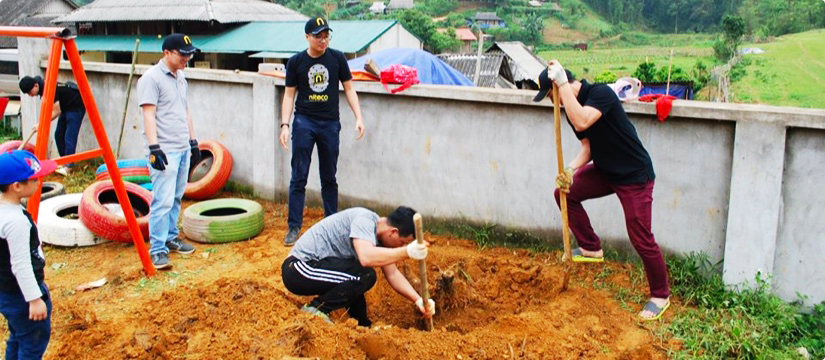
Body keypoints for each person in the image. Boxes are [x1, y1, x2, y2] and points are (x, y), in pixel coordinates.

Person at [534, 61, 671, 321]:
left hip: (634, 176)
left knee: (640, 235)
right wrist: (571, 171)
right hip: (606, 171)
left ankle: (660, 295)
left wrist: (561, 85)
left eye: (551, 96)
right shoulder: (570, 110)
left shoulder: (600, 94)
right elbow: (588, 148)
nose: (555, 103)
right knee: (564, 194)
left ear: (558, 87)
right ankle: (590, 248)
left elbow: (584, 120)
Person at [279, 17, 366, 246]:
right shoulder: (296, 62)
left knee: (329, 177)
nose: (323, 39)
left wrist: (359, 117)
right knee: (299, 176)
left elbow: (349, 88)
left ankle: (332, 224)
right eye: (318, 35)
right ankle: (294, 226)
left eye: (326, 35)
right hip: (304, 122)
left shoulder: (337, 58)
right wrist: (285, 125)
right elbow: (289, 95)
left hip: (329, 124)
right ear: (307, 37)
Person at [281, 206, 435, 327]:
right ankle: (316, 309)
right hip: (299, 269)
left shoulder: (381, 237)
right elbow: (366, 257)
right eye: (402, 242)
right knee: (364, 275)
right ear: (393, 232)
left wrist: (419, 300)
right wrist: (407, 251)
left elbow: (393, 273)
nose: (401, 246)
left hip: (318, 269)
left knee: (356, 279)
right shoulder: (365, 220)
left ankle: (362, 325)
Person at [136, 34, 200, 269]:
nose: (187, 58)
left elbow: (185, 111)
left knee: (176, 196)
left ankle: (171, 237)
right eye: (182, 54)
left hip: (182, 147)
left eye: (189, 54)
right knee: (162, 200)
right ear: (166, 53)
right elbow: (148, 114)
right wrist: (154, 149)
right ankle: (158, 249)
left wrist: (193, 142)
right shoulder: (151, 79)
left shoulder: (181, 77)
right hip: (165, 150)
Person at [0, 150, 58, 359]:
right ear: (16, 186)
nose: (39, 181)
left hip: (7, 292)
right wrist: (34, 299)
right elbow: (21, 264)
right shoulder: (15, 221)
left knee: (18, 336)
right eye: (35, 178)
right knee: (33, 344)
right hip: (22, 296)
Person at [19, 75, 86, 176]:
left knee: (69, 137)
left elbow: (56, 111)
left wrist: (42, 124)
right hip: (66, 107)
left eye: (30, 92)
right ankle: (65, 161)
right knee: (58, 135)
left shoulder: (50, 88)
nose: (30, 95)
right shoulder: (40, 86)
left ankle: (68, 167)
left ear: (36, 86)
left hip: (76, 106)